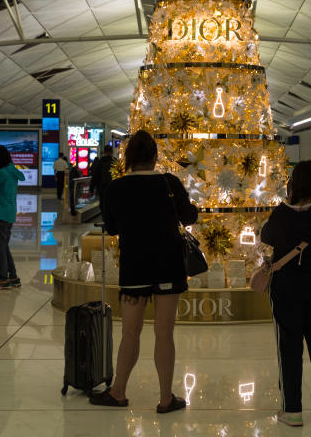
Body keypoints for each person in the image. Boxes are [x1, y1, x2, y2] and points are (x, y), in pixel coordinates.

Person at [89, 130, 197, 413]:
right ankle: (165, 398)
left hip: (134, 267)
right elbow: (189, 216)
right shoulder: (169, 182)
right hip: (168, 266)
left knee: (130, 333)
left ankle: (118, 392)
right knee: (164, 333)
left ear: (128, 158)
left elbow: (112, 227)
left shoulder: (116, 188)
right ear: (154, 157)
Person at [260, 160, 311, 428]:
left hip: (287, 288)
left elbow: (266, 237)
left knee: (289, 347)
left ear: (294, 184)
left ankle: (293, 410)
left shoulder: (282, 214)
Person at [0, 145, 25, 290]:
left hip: (0, 213)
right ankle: (13, 276)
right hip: (8, 212)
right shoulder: (12, 170)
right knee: (4, 246)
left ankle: (4, 278)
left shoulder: (2, 173)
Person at [89, 145, 115, 210]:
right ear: (112, 152)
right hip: (113, 188)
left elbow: (95, 176)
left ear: (104, 152)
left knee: (103, 205)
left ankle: (105, 218)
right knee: (112, 205)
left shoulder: (100, 162)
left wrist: (91, 189)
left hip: (102, 188)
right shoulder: (115, 162)